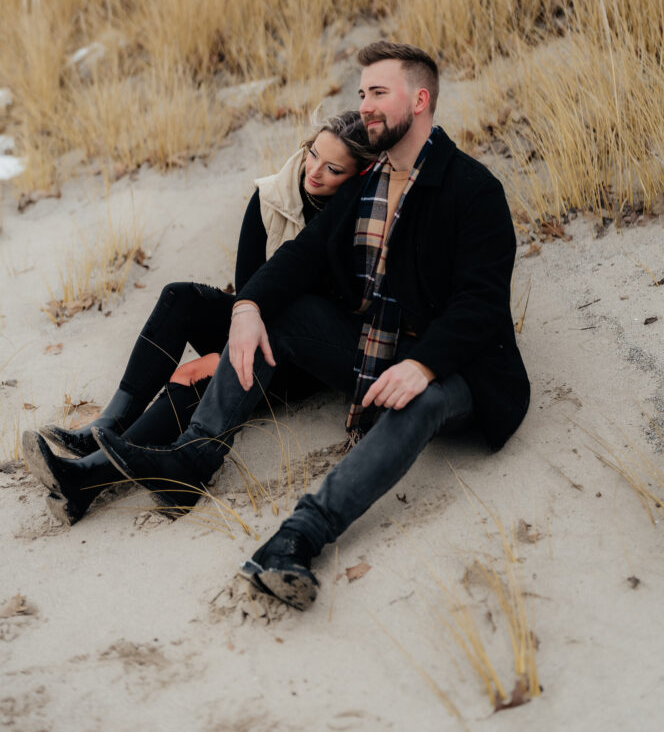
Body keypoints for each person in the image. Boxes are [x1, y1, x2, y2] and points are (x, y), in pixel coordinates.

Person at [94, 41, 530, 610]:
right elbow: (301, 257)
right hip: (374, 357)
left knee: (416, 402)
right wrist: (247, 308)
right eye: (362, 94)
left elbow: (481, 303)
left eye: (379, 93)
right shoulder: (367, 186)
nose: (366, 105)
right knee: (281, 307)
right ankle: (193, 459)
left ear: (420, 100)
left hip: (458, 369)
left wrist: (423, 365)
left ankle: (297, 538)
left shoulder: (474, 190)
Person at [22, 111, 373, 525]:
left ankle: (86, 478)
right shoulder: (273, 196)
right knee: (180, 298)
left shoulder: (360, 223)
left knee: (194, 377)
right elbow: (248, 294)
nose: (313, 171)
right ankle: (109, 425)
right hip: (253, 329)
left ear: (359, 174)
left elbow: (326, 320)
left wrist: (221, 360)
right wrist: (227, 349)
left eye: (332, 169)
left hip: (299, 360)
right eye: (312, 154)